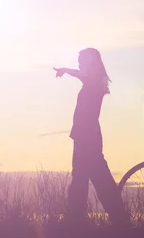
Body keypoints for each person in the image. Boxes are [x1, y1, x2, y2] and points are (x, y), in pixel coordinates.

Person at [54, 48, 129, 226]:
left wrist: (66, 70)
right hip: (83, 136)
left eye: (82, 59)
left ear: (91, 61)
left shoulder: (94, 81)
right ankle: (76, 220)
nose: (79, 63)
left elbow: (81, 75)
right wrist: (66, 69)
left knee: (98, 179)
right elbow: (81, 75)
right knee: (81, 178)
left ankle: (119, 219)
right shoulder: (92, 81)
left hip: (88, 137)